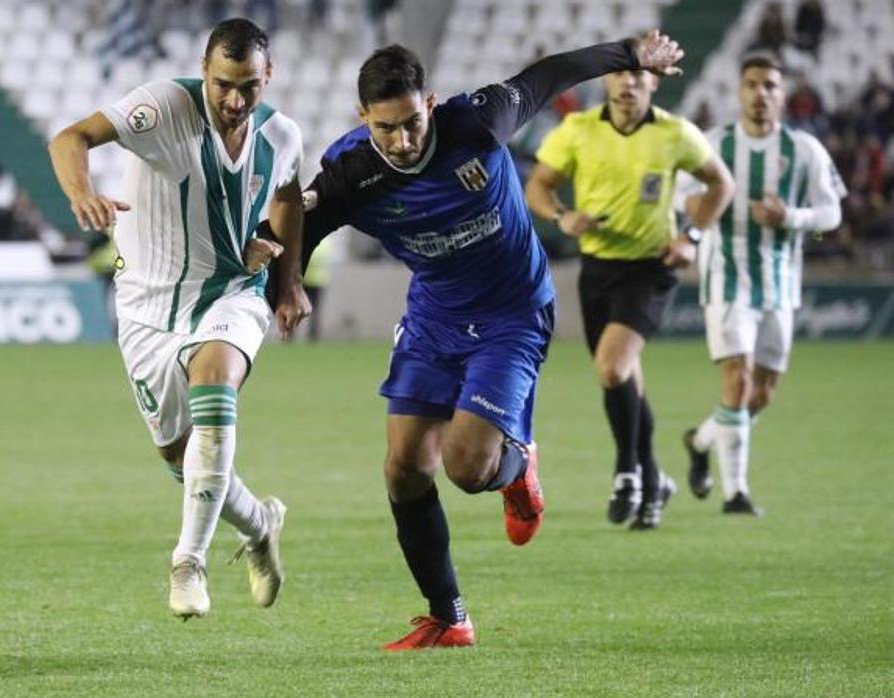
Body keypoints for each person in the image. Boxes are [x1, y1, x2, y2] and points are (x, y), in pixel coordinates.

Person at [273, 31, 688, 650]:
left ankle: (518, 467)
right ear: (364, 119)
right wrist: (285, 282)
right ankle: (449, 617)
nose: (402, 141)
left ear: (431, 104)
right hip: (434, 316)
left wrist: (630, 53)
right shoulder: (353, 172)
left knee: (469, 470)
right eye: (385, 128)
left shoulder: (479, 121)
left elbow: (554, 72)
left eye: (412, 123)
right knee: (405, 469)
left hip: (513, 313)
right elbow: (293, 225)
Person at [47, 18, 312, 620]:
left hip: (231, 293)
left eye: (249, 86)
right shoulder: (162, 106)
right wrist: (81, 192)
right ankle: (259, 521)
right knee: (178, 454)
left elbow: (289, 198)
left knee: (214, 384)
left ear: (268, 76)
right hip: (145, 307)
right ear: (204, 70)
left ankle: (187, 562)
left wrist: (288, 277)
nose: (235, 100)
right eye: (223, 84)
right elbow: (70, 138)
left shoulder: (283, 136)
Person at [526, 54, 735, 531]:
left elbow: (721, 184)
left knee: (613, 366)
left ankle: (627, 472)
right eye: (621, 72)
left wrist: (692, 237)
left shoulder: (675, 133)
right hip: (598, 267)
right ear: (609, 79)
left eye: (638, 75)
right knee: (621, 379)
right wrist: (562, 216)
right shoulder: (577, 129)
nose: (627, 83)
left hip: (651, 266)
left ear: (653, 84)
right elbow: (537, 187)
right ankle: (655, 476)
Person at [682, 54, 845, 515]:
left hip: (780, 285)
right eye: (751, 84)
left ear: (783, 95)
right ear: (739, 92)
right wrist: (697, 209)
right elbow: (683, 196)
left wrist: (790, 217)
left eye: (770, 85)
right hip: (726, 279)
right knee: (738, 378)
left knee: (761, 394)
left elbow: (832, 212)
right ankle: (736, 494)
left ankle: (701, 440)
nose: (760, 93)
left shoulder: (805, 149)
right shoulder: (712, 145)